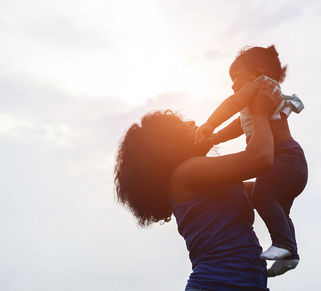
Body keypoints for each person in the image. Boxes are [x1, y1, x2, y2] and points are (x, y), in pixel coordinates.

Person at [114, 80, 278, 291]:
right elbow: (261, 159)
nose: (193, 124)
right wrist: (260, 113)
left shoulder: (208, 184)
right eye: (183, 127)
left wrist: (262, 121)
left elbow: (269, 192)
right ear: (170, 146)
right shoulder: (187, 173)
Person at [195, 45, 308, 277]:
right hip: (291, 162)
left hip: (283, 158)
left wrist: (209, 123)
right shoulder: (262, 96)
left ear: (256, 73)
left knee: (262, 196)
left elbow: (232, 103)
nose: (233, 85)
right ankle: (291, 253)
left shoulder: (260, 86)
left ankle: (284, 244)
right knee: (280, 212)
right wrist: (216, 137)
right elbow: (240, 124)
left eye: (236, 78)